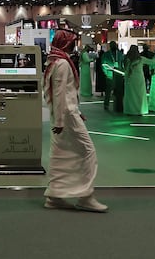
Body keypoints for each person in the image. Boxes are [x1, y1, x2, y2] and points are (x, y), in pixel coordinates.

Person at [42, 29, 107, 213]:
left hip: (64, 115)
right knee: (88, 152)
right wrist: (61, 121)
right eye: (71, 42)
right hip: (67, 116)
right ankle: (86, 196)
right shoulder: (62, 63)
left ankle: (54, 196)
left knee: (60, 155)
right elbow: (60, 93)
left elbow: (60, 93)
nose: (74, 45)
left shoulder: (54, 61)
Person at [122, 46, 149, 116]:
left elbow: (125, 69)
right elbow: (152, 62)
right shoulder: (141, 59)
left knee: (130, 96)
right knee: (139, 96)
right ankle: (139, 110)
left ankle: (130, 110)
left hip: (129, 79)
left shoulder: (126, 59)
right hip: (139, 80)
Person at [101, 41, 124, 112]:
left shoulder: (120, 54)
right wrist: (106, 73)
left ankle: (118, 105)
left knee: (119, 92)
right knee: (108, 91)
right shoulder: (106, 54)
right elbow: (103, 64)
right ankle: (106, 104)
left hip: (118, 75)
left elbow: (122, 63)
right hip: (110, 75)